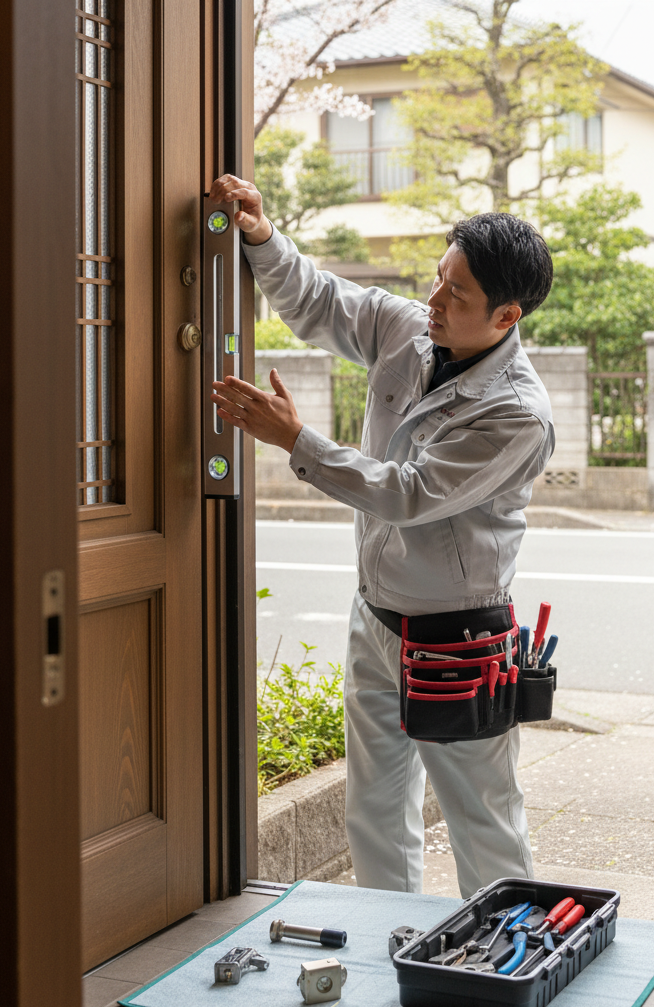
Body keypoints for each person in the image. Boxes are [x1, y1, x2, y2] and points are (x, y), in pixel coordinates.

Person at [207, 174, 555, 898]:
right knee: (373, 813)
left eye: (455, 295)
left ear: (505, 315)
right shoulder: (412, 331)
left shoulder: (518, 414)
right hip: (376, 617)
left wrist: (294, 439)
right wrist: (263, 237)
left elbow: (409, 493)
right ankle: (388, 959)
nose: (433, 301)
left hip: (459, 638)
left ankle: (505, 979)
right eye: (438, 279)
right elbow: (320, 300)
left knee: (482, 823)